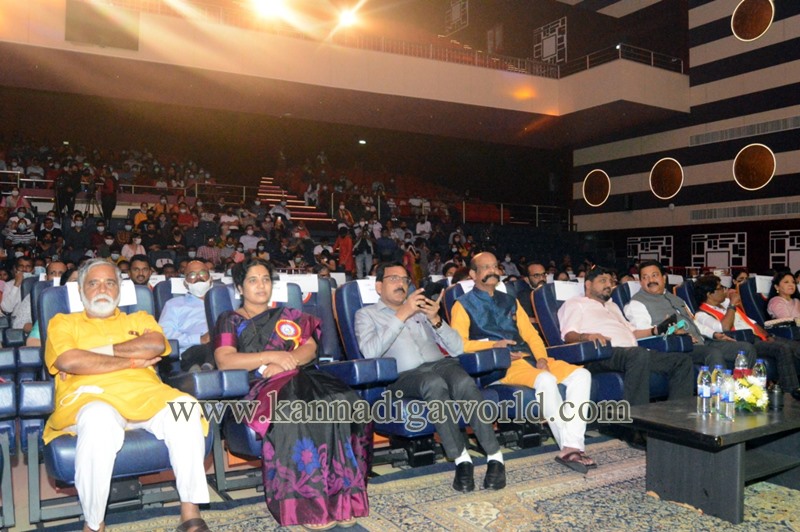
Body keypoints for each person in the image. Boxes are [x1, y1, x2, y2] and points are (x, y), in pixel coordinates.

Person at [44, 259, 210, 532]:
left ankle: (190, 512)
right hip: (92, 397)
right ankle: (94, 523)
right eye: (94, 283)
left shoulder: (139, 318)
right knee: (98, 419)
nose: (102, 289)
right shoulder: (63, 322)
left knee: (186, 408)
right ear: (81, 290)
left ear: (119, 290)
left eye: (110, 283)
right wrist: (132, 360)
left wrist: (95, 353)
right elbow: (70, 361)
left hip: (147, 395)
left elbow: (155, 344)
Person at [213, 258, 369, 529]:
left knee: (344, 401)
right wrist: (272, 357)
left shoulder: (288, 316)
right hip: (259, 386)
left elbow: (310, 348)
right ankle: (310, 505)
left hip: (299, 374)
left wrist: (288, 361)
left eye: (265, 279)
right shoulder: (230, 319)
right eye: (253, 280)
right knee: (297, 410)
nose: (261, 285)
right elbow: (225, 360)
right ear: (239, 287)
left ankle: (343, 498)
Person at [355, 262, 507, 492]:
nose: (401, 284)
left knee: (463, 381)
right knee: (432, 383)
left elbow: (457, 348)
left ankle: (495, 457)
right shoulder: (366, 315)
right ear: (378, 287)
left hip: (441, 365)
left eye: (405, 279)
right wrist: (402, 314)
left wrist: (436, 319)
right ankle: (462, 460)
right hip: (403, 377)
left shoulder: (421, 312)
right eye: (393, 278)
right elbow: (370, 352)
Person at [451, 253, 595, 472]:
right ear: (473, 274)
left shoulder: (510, 301)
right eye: (485, 267)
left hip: (529, 358)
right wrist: (493, 346)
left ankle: (572, 444)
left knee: (582, 375)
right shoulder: (462, 305)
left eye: (495, 266)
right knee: (546, 380)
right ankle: (570, 449)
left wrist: (542, 358)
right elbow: (459, 345)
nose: (492, 271)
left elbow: (531, 336)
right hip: (500, 365)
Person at [558, 266, 694, 405]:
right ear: (588, 284)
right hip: (601, 353)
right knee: (637, 355)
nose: (608, 285)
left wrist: (656, 330)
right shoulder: (576, 303)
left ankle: (675, 412)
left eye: (610, 281)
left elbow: (633, 332)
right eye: (603, 281)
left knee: (682, 361)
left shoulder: (613, 306)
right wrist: (587, 337)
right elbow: (569, 335)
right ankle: (637, 415)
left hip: (632, 352)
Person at [624, 260, 756, 368]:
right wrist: (672, 333)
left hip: (702, 341)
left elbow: (693, 322)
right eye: (645, 277)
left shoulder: (676, 299)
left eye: (654, 275)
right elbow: (646, 336)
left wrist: (714, 334)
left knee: (746, 349)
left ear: (664, 278)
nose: (650, 280)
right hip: (679, 348)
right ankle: (718, 392)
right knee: (713, 353)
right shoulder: (637, 304)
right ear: (640, 282)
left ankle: (743, 387)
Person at [693, 275, 800, 401]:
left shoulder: (725, 305)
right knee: (782, 348)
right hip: (744, 341)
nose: (725, 290)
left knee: (796, 347)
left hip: (758, 336)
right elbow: (724, 328)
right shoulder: (702, 314)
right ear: (709, 294)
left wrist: (767, 335)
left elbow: (752, 322)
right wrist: (732, 305)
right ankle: (791, 392)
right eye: (721, 288)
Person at [158, 261, 215, 372]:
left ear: (211, 278)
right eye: (192, 275)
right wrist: (199, 339)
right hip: (191, 352)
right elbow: (165, 334)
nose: (198, 278)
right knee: (210, 347)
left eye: (203, 273)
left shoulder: (222, 301)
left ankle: (206, 369)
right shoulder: (174, 304)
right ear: (185, 283)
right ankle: (205, 370)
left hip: (224, 348)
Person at [12, 261, 67, 334]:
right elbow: (18, 324)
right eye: (52, 273)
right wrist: (41, 328)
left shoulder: (74, 295)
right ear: (46, 277)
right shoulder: (34, 296)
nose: (57, 277)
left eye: (61, 273)